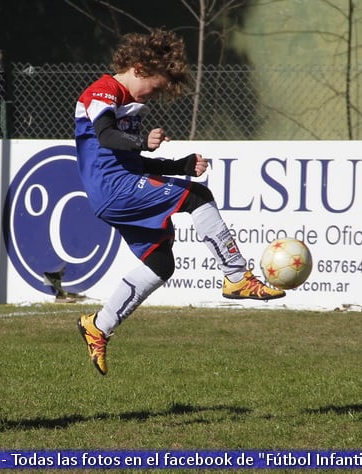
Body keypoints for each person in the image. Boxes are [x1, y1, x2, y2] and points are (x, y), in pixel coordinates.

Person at [73, 29, 285, 376]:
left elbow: (131, 159)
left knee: (160, 264)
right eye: (155, 87)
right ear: (139, 68)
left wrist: (179, 166)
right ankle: (236, 276)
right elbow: (106, 135)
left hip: (120, 185)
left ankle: (99, 325)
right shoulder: (103, 90)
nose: (154, 96)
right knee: (197, 197)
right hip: (114, 189)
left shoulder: (132, 105)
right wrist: (143, 140)